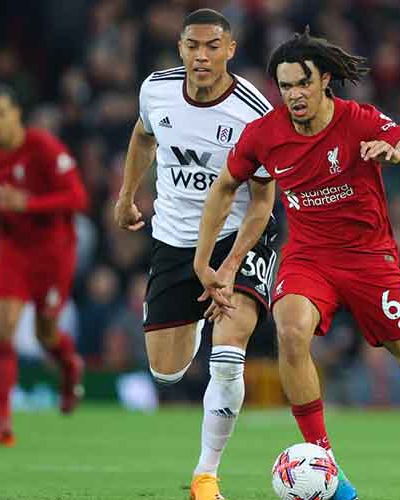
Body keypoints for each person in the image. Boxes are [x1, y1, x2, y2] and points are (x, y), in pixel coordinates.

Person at [194, 28, 400, 500]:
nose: (294, 96)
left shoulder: (359, 120)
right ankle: (329, 470)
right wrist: (209, 262)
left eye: (302, 84)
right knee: (292, 330)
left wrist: (398, 151)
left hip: (370, 263)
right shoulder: (265, 134)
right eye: (285, 87)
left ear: (324, 81)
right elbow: (225, 186)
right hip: (308, 259)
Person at [113, 9, 276, 500]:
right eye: (191, 46)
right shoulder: (155, 90)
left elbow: (264, 201)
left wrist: (225, 269)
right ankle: (197, 318)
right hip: (174, 240)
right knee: (166, 371)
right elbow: (143, 136)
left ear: (230, 49)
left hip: (237, 239)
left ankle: (206, 476)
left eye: (211, 46)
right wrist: (126, 195)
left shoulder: (253, 113)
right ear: (180, 48)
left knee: (227, 360)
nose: (200, 56)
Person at [0, 84, 87, 446]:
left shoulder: (43, 147)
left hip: (53, 253)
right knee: (2, 330)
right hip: (13, 250)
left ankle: (70, 369)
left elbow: (77, 197)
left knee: (45, 334)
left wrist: (30, 204)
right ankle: (3, 421)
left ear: (16, 115)